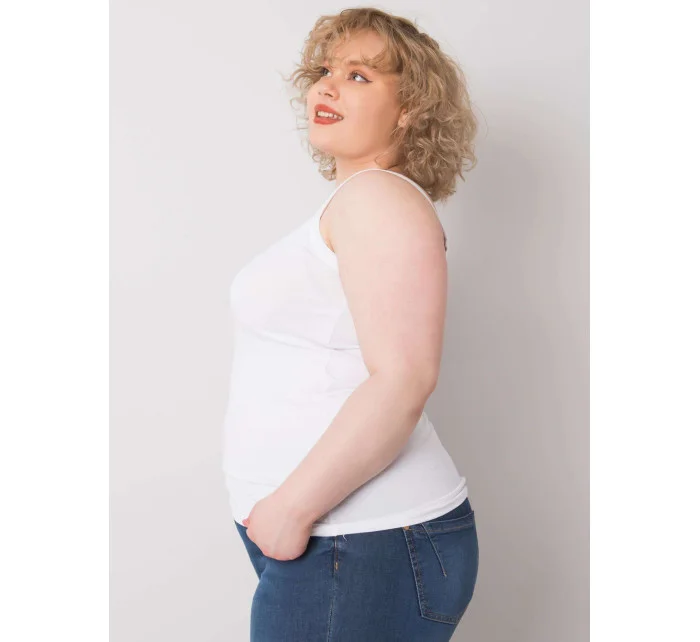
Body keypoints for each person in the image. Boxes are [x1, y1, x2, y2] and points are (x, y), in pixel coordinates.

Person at [221, 7, 480, 641]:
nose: (328, 87)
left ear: (410, 110)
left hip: (360, 540)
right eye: (325, 71)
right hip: (337, 540)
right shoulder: (355, 203)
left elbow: (404, 379)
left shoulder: (378, 199)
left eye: (359, 76)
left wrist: (292, 508)